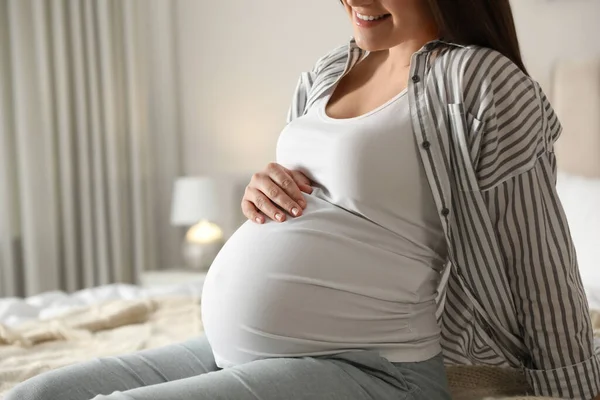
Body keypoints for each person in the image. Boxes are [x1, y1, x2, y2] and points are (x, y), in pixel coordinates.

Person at [6, 0, 600, 399]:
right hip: (238, 352)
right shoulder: (327, 71)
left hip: (374, 366)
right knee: (37, 393)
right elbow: (326, 206)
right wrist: (260, 192)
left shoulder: (481, 82)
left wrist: (572, 386)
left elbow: (538, 257)